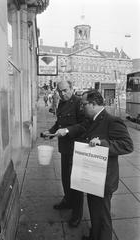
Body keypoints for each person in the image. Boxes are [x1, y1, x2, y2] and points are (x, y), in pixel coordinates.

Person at [56, 90, 133, 240]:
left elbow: (127, 145)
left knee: (102, 215)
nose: (81, 107)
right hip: (93, 176)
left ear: (93, 104)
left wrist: (103, 144)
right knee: (94, 211)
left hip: (103, 178)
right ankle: (94, 235)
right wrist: (65, 131)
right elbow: (80, 129)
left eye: (84, 104)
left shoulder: (112, 121)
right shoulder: (92, 119)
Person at [42, 80, 85, 228]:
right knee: (66, 178)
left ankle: (77, 213)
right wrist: (51, 131)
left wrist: (67, 131)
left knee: (76, 183)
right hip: (65, 148)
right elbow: (59, 122)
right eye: (60, 91)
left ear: (72, 88)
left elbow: (84, 125)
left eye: (65, 90)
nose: (62, 93)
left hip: (77, 148)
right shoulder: (61, 103)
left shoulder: (79, 103)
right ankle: (68, 201)